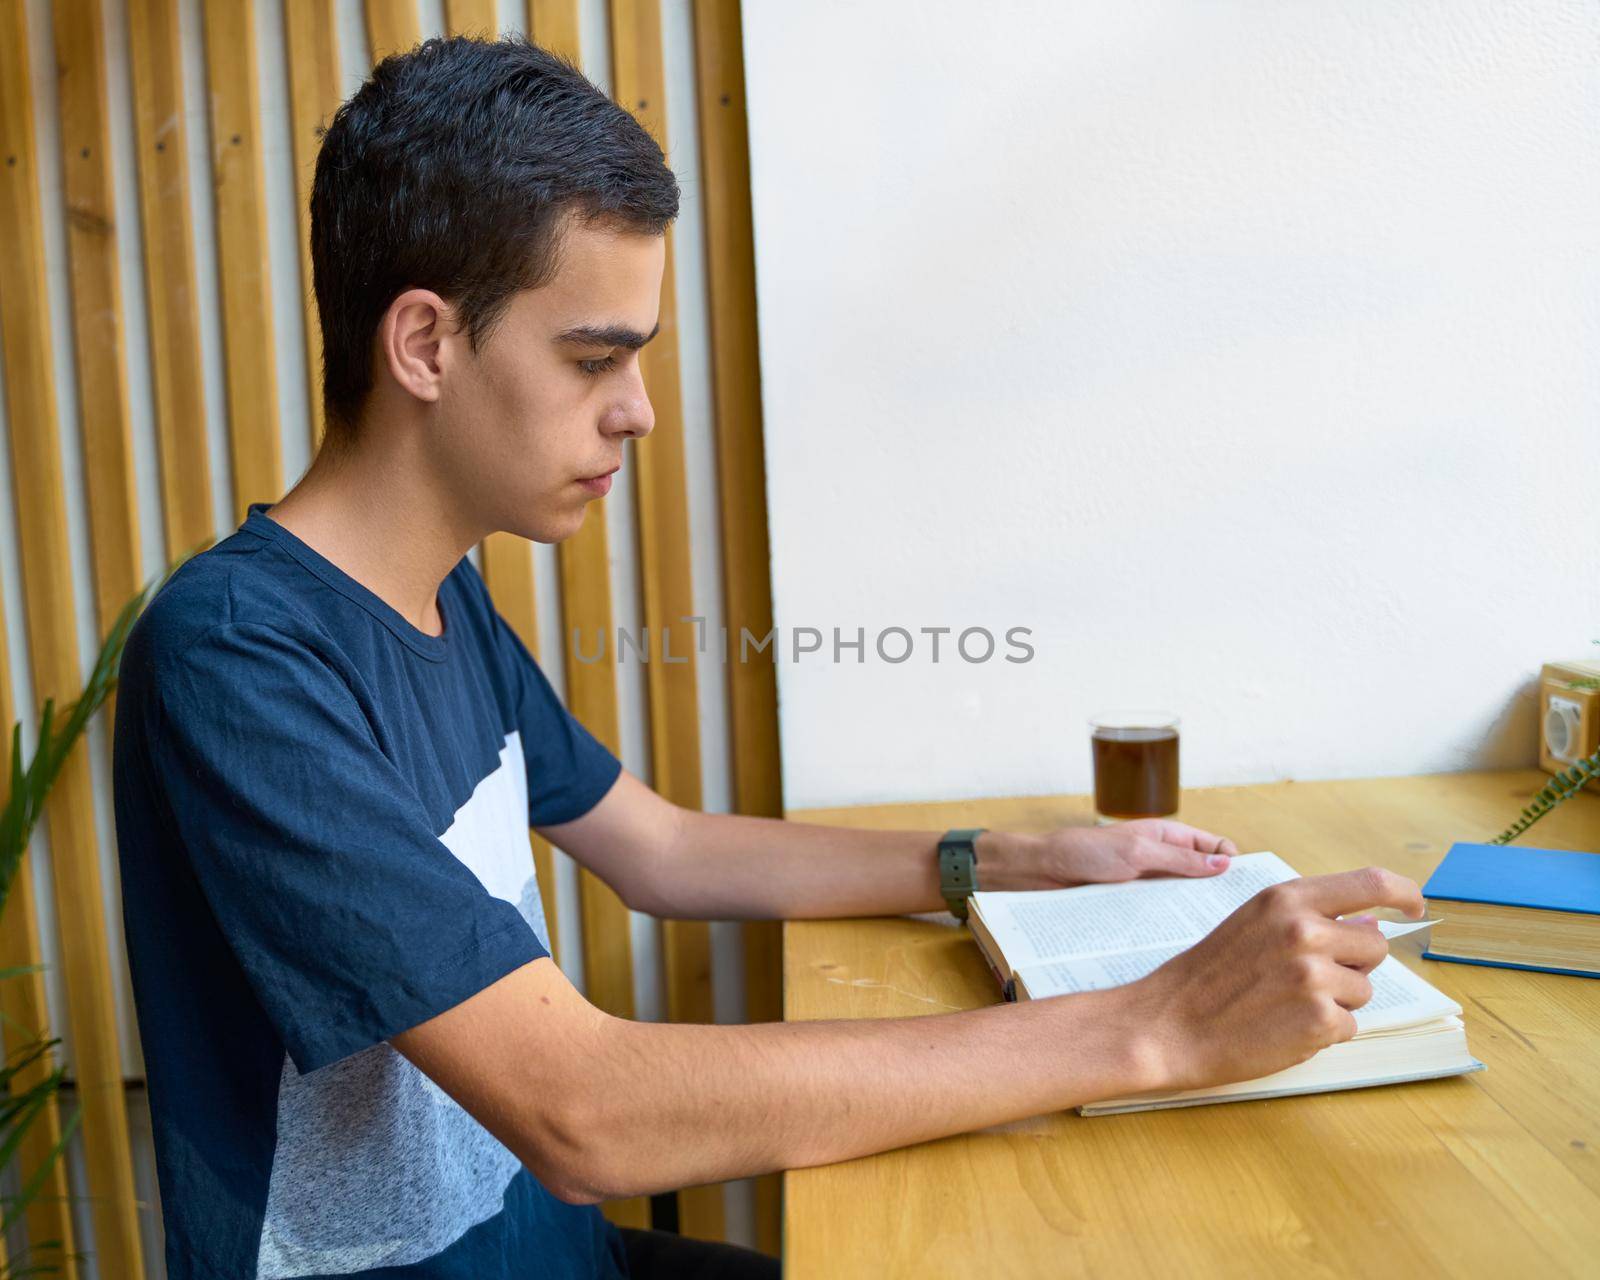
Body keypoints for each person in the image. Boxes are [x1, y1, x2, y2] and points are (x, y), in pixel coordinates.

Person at [111, 34, 1424, 1280]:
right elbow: (584, 1113)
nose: (634, 410)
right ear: (424, 344)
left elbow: (665, 851)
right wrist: (1160, 1024)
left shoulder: (443, 599)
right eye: (592, 360)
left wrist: (994, 860)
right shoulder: (237, 659)